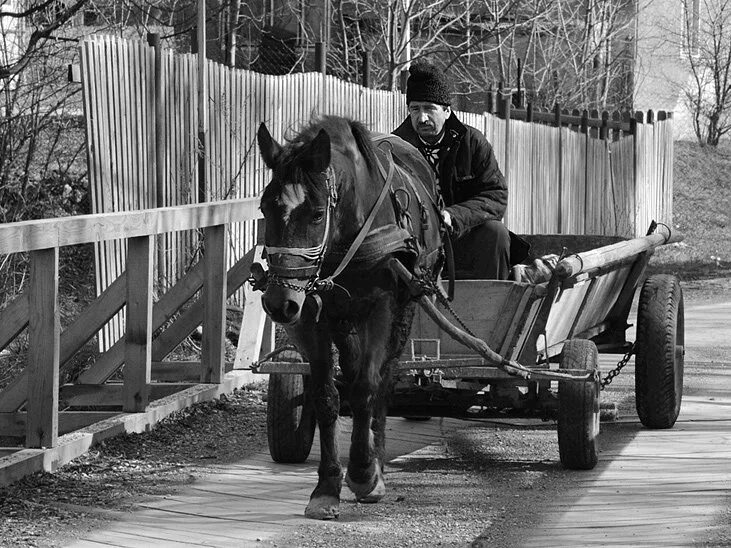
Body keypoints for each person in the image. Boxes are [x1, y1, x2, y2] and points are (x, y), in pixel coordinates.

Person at [393, 61, 526, 280]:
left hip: (460, 237)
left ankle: (492, 305)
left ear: (446, 111)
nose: (422, 117)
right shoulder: (395, 147)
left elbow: (496, 196)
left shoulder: (471, 142)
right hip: (413, 242)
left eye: (429, 108)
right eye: (415, 109)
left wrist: (452, 216)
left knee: (496, 233)